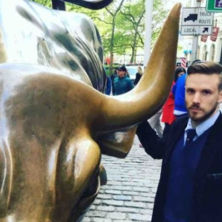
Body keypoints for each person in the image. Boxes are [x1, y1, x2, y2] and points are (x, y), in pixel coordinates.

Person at [136, 61, 222, 222]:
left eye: (206, 92)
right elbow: (157, 149)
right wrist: (137, 118)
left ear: (220, 95)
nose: (196, 99)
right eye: (191, 91)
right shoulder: (178, 125)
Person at [161, 66, 186, 136]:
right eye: (181, 74)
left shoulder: (180, 83)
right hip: (170, 109)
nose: (182, 76)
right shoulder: (172, 83)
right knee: (168, 128)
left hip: (174, 109)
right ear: (176, 74)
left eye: (184, 74)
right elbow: (172, 94)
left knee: (172, 129)